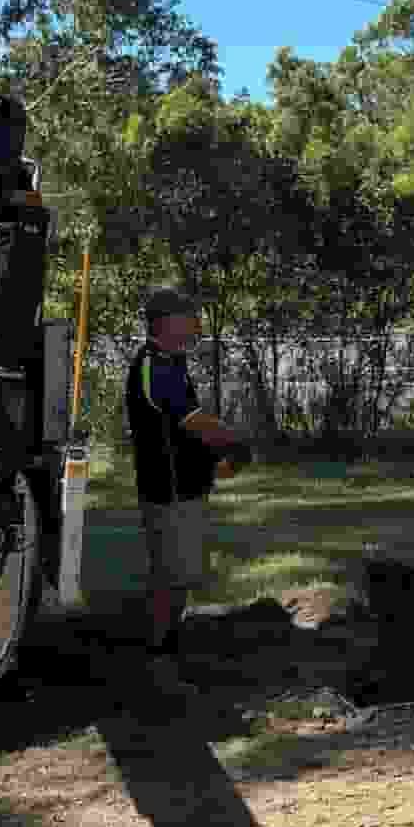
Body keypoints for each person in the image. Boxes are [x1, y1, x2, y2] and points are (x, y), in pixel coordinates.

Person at [125, 287, 252, 693]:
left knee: (179, 576)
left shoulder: (171, 363)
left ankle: (166, 652)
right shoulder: (153, 366)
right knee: (171, 577)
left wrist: (214, 459)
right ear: (166, 322)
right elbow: (194, 421)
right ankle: (158, 664)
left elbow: (183, 432)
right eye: (189, 316)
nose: (196, 324)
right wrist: (234, 443)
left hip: (185, 486)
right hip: (169, 491)